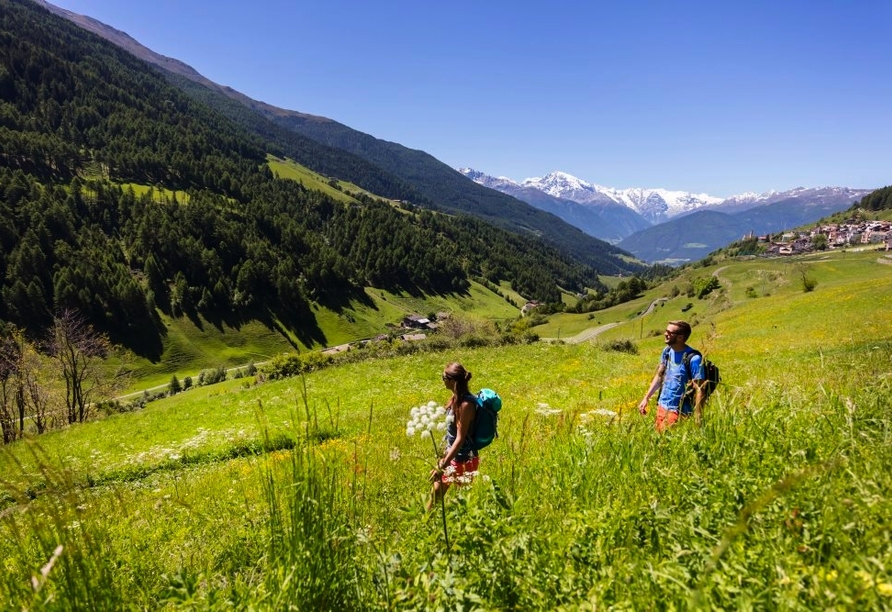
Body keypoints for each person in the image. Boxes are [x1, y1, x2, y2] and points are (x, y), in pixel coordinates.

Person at [426, 362, 479, 511]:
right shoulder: (455, 399)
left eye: (443, 377)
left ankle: (428, 524)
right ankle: (426, 524)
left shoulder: (466, 404)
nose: (442, 380)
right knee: (436, 493)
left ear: (452, 381)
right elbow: (451, 434)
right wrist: (443, 457)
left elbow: (460, 438)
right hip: (452, 456)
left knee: (461, 501)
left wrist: (442, 465)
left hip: (464, 459)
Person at [638, 320, 706, 432]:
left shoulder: (694, 359)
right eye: (666, 331)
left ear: (680, 337)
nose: (665, 334)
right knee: (660, 442)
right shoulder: (667, 351)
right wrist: (646, 398)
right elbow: (660, 376)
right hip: (662, 406)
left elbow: (700, 389)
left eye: (669, 332)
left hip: (679, 410)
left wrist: (698, 417)